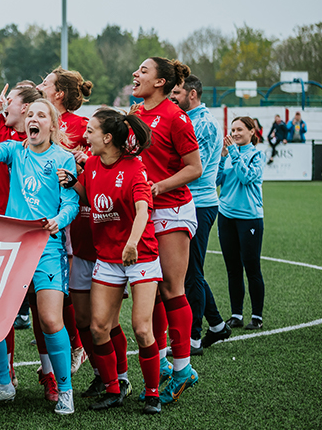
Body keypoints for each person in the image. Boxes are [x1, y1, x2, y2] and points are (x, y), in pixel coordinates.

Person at [0, 97, 79, 415]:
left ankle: (65, 391)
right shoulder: (14, 150)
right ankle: (3, 384)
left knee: (49, 319)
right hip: (13, 246)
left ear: (52, 124)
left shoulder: (63, 158)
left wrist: (57, 221)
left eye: (40, 115)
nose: (33, 118)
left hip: (47, 247)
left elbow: (70, 203)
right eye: (29, 114)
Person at [60, 108, 164, 414]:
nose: (86, 135)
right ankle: (114, 388)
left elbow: (143, 211)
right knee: (98, 327)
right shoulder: (91, 164)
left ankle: (152, 393)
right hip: (107, 257)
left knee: (142, 329)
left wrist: (131, 244)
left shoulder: (134, 168)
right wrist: (72, 182)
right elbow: (89, 196)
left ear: (107, 138)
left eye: (91, 130)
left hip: (139, 255)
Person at [131, 57, 202, 404]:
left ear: (160, 82)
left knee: (173, 289)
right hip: (144, 212)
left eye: (143, 71)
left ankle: (183, 367)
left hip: (172, 209)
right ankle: (160, 362)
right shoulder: (135, 113)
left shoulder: (177, 117)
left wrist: (159, 186)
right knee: (154, 290)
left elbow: (195, 168)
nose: (136, 74)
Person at [37, 67, 94, 384]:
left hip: (68, 217)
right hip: (42, 211)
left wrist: (76, 159)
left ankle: (77, 347)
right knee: (46, 293)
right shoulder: (38, 120)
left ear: (58, 93)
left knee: (68, 291)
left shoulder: (82, 126)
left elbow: (92, 161)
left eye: (45, 83)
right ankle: (58, 357)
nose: (39, 85)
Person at [170, 75, 231, 354]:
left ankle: (193, 339)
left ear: (192, 94)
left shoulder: (202, 124)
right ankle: (217, 326)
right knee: (191, 271)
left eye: (177, 92)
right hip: (193, 201)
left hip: (199, 203)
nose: (173, 97)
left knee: (191, 273)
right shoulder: (192, 120)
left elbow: (197, 167)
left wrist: (164, 178)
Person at [217, 116, 266, 331]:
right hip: (226, 215)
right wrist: (221, 158)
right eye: (232, 129)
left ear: (251, 132)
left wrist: (234, 154)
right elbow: (217, 180)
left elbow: (247, 178)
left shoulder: (258, 154)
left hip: (250, 218)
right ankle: (236, 314)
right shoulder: (229, 153)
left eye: (239, 129)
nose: (235, 133)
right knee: (233, 269)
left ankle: (256, 316)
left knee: (252, 267)